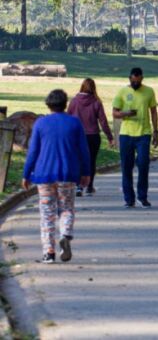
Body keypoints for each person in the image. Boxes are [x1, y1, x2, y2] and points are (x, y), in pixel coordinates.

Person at [23, 90, 90, 264]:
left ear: (48, 104)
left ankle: (49, 253)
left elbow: (33, 151)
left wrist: (26, 173)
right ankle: (66, 233)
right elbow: (84, 151)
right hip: (68, 173)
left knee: (47, 213)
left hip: (43, 174)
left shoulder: (40, 123)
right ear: (65, 104)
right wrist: (86, 173)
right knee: (66, 207)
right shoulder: (75, 123)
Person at [112, 67, 158, 208]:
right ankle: (129, 198)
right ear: (129, 78)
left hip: (144, 133)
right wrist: (125, 113)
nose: (135, 84)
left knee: (144, 164)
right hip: (126, 134)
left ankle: (142, 196)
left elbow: (154, 112)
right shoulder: (122, 91)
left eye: (137, 82)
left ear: (142, 79)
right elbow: (115, 113)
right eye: (133, 82)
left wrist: (156, 131)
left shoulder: (149, 91)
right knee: (126, 167)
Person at [68, 78, 114, 196]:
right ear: (94, 88)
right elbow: (103, 121)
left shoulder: (74, 101)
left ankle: (78, 186)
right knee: (91, 161)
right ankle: (89, 186)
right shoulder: (96, 102)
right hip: (93, 136)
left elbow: (68, 118)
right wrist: (109, 136)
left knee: (78, 161)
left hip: (77, 136)